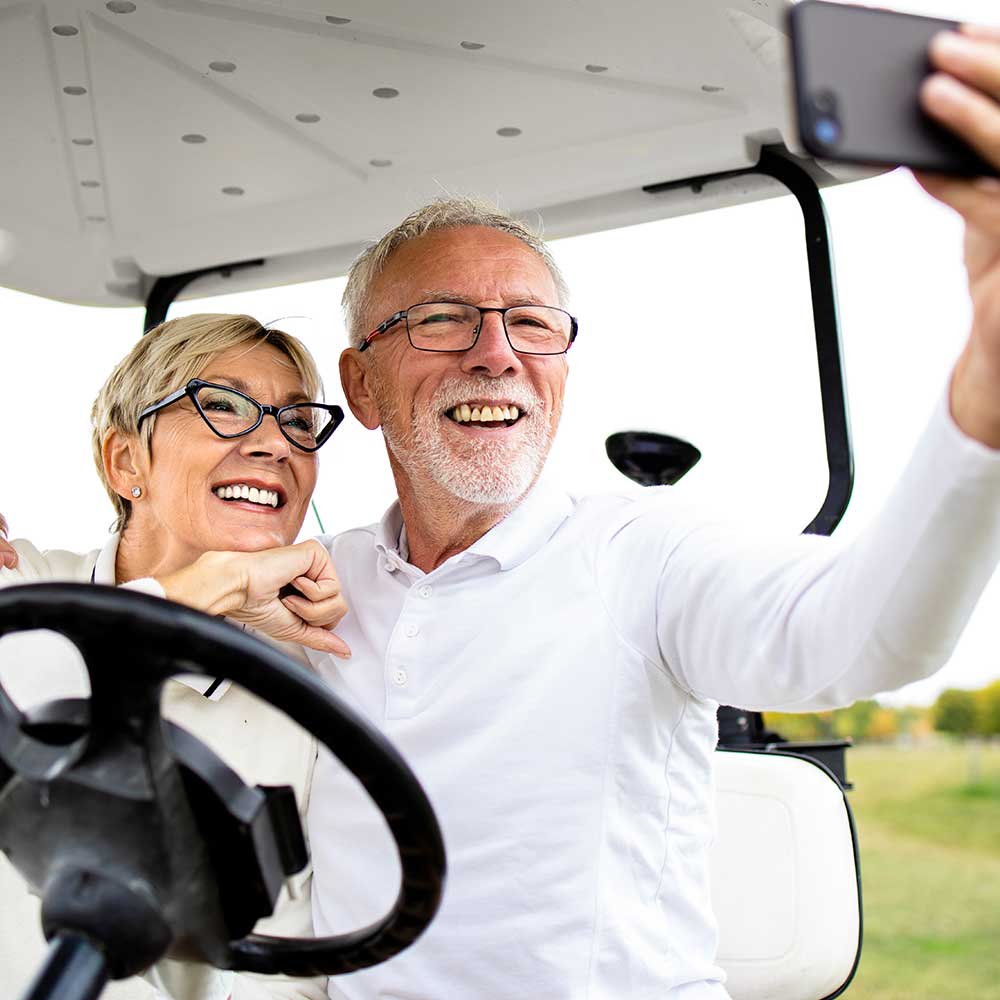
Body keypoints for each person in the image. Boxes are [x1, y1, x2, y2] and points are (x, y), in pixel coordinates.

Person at [296, 24, 1000, 1000]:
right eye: (441, 319)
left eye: (531, 322)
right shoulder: (314, 585)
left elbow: (863, 634)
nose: (495, 352)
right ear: (361, 385)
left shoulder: (646, 551)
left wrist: (986, 389)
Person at [0, 312, 350, 1000]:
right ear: (125, 461)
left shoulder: (305, 706)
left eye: (299, 422)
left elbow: (285, 974)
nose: (274, 443)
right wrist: (205, 590)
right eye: (222, 405)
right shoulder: (22, 593)